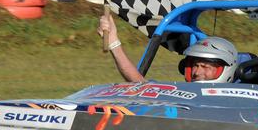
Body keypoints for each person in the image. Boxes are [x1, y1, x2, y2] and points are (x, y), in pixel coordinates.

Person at [97, 14, 238, 83]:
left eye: (205, 66)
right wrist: (113, 42)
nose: (197, 72)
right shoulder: (182, 93)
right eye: (195, 65)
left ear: (226, 69)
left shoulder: (238, 100)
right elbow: (138, 83)